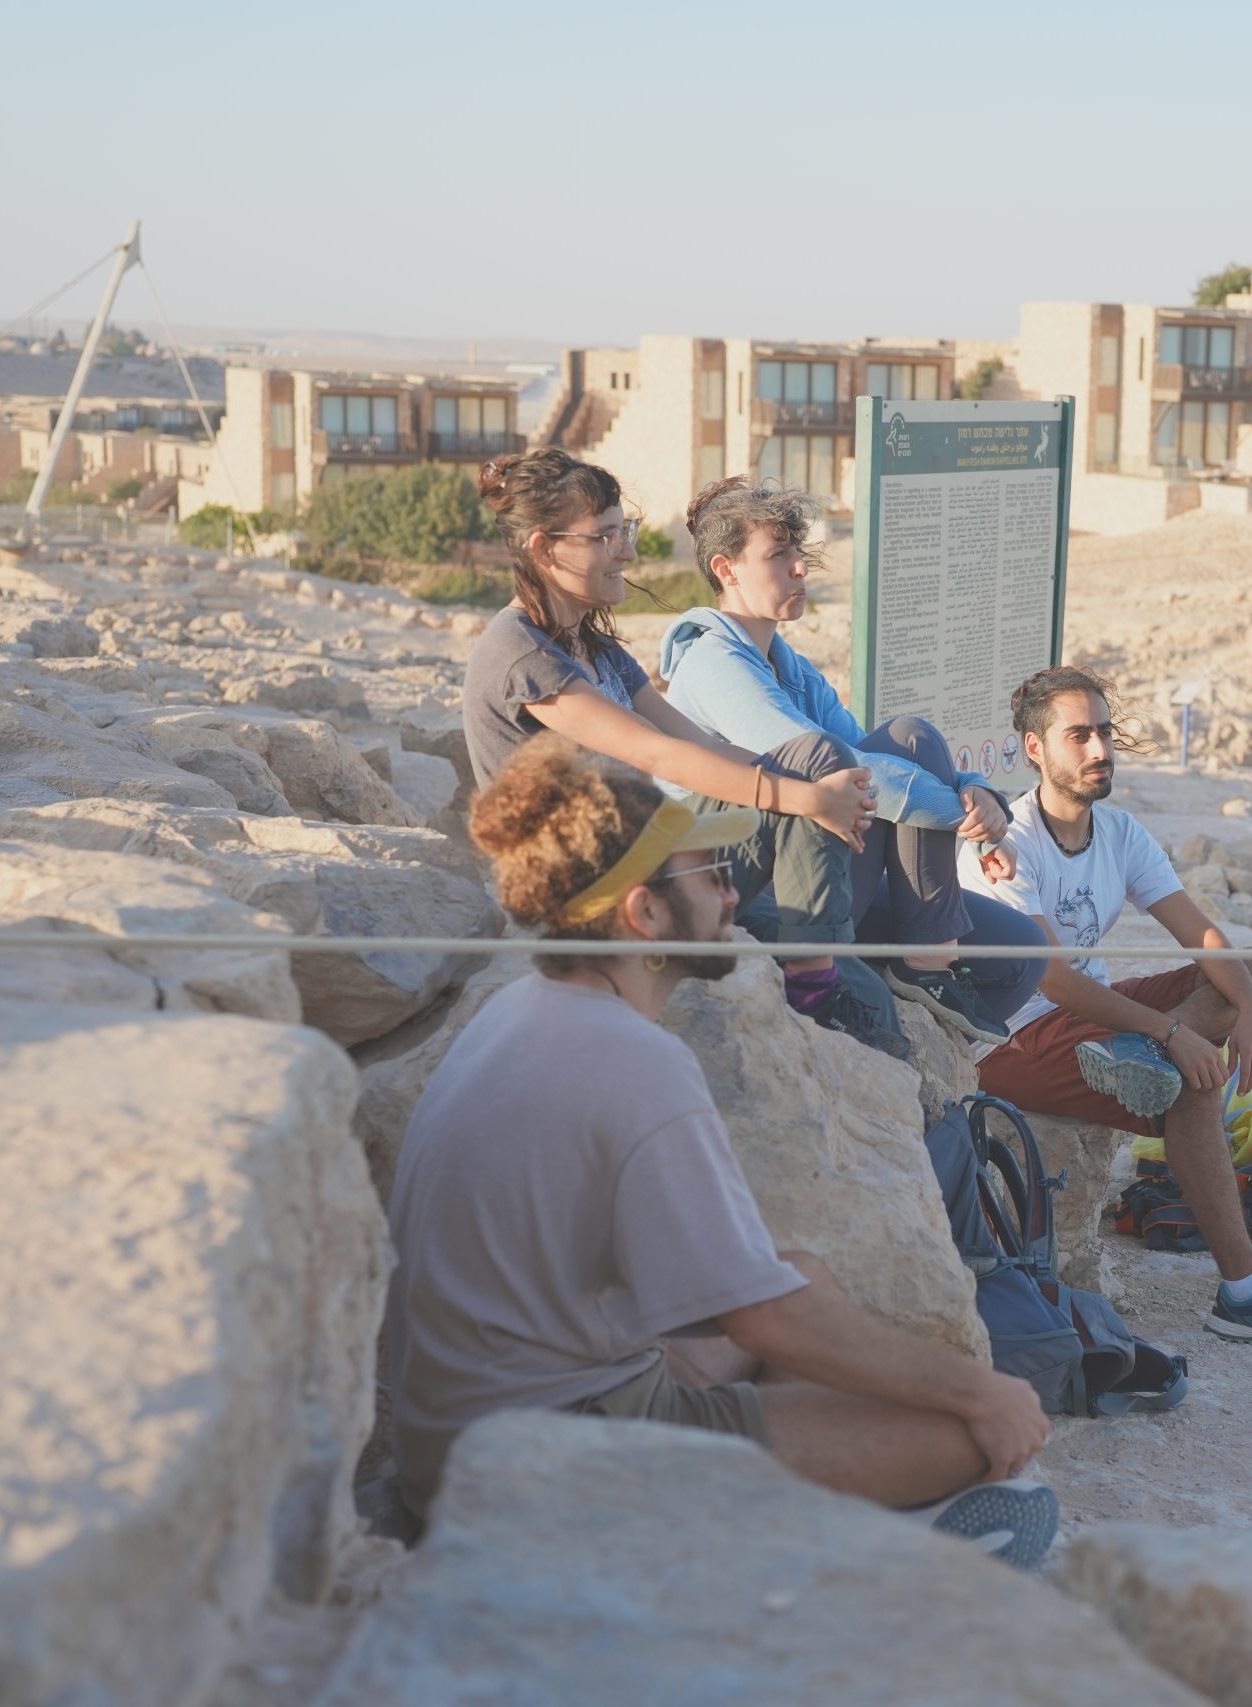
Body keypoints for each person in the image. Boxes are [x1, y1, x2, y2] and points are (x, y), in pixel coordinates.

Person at [382, 735, 1058, 1565]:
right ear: (645, 912)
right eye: (709, 873)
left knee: (800, 1271)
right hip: (552, 1463)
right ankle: (794, 1559)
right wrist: (981, 1391)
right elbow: (763, 1318)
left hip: (466, 1435)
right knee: (964, 1437)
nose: (733, 890)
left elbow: (761, 1292)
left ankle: (781, 1501)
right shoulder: (636, 1061)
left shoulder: (524, 1011)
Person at [960, 665, 1252, 1355]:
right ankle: (1244, 1291)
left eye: (1105, 732)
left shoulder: (1118, 832)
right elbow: (1050, 979)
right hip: (1012, 1040)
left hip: (1098, 1027)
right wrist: (1170, 1031)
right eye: (1078, 734)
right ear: (1035, 749)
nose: (1098, 750)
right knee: (1192, 1083)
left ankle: (1138, 1058)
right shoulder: (1006, 843)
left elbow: (1199, 932)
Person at [459, 448, 899, 1052]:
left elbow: (697, 742)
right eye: (606, 537)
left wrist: (818, 792)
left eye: (626, 531)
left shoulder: (597, 647)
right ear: (544, 548)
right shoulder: (523, 656)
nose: (629, 553)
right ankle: (812, 1003)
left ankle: (823, 986)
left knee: (868, 990)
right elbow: (658, 758)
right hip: (588, 891)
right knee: (812, 769)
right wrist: (806, 796)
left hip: (650, 856)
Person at [657, 475, 1047, 1046]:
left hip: (828, 862)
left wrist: (978, 791)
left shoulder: (785, 664)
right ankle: (924, 971)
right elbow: (834, 769)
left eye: (800, 554)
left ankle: (933, 1043)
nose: (799, 569)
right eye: (778, 556)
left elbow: (868, 752)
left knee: (1022, 953)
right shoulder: (713, 662)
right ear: (726, 569)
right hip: (756, 885)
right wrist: (978, 828)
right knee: (901, 744)